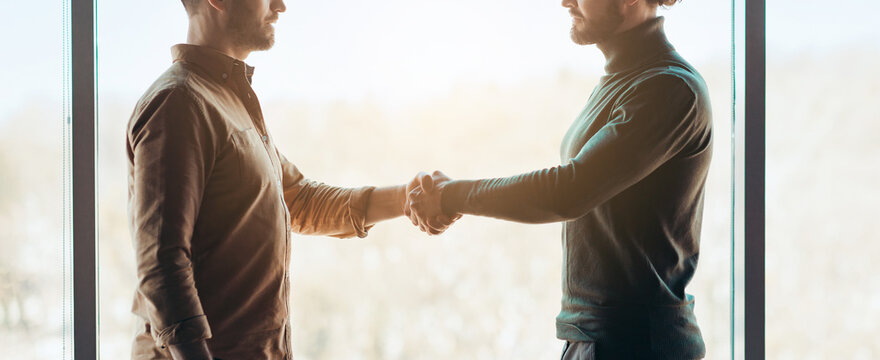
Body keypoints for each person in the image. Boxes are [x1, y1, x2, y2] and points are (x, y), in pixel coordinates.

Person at [126, 0, 451, 358]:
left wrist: (408, 199)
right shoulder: (179, 103)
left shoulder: (227, 102)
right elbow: (161, 263)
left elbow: (299, 198)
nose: (280, 6)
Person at [406, 0, 713, 358]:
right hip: (598, 339)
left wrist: (451, 196)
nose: (566, 1)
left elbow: (569, 191)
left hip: (636, 344)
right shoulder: (626, 79)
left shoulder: (668, 88)